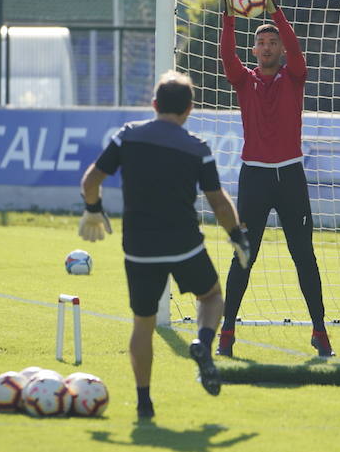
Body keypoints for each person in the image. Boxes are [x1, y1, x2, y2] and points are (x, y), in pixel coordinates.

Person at [78, 70, 250, 420]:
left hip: (139, 247)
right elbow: (218, 202)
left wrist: (93, 210)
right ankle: (202, 341)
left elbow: (91, 180)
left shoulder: (127, 137)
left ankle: (144, 404)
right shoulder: (196, 147)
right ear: (189, 109)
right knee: (212, 296)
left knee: (143, 324)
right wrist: (237, 236)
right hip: (184, 243)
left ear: (154, 104)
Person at [216, 0, 334, 357]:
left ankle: (319, 332)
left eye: (272, 42)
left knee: (304, 256)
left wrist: (276, 11)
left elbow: (297, 51)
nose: (266, 47)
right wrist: (229, 17)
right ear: (255, 50)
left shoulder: (294, 76)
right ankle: (227, 333)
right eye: (261, 43)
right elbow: (227, 58)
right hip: (254, 177)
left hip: (291, 177)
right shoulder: (243, 80)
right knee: (243, 254)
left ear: (281, 48)